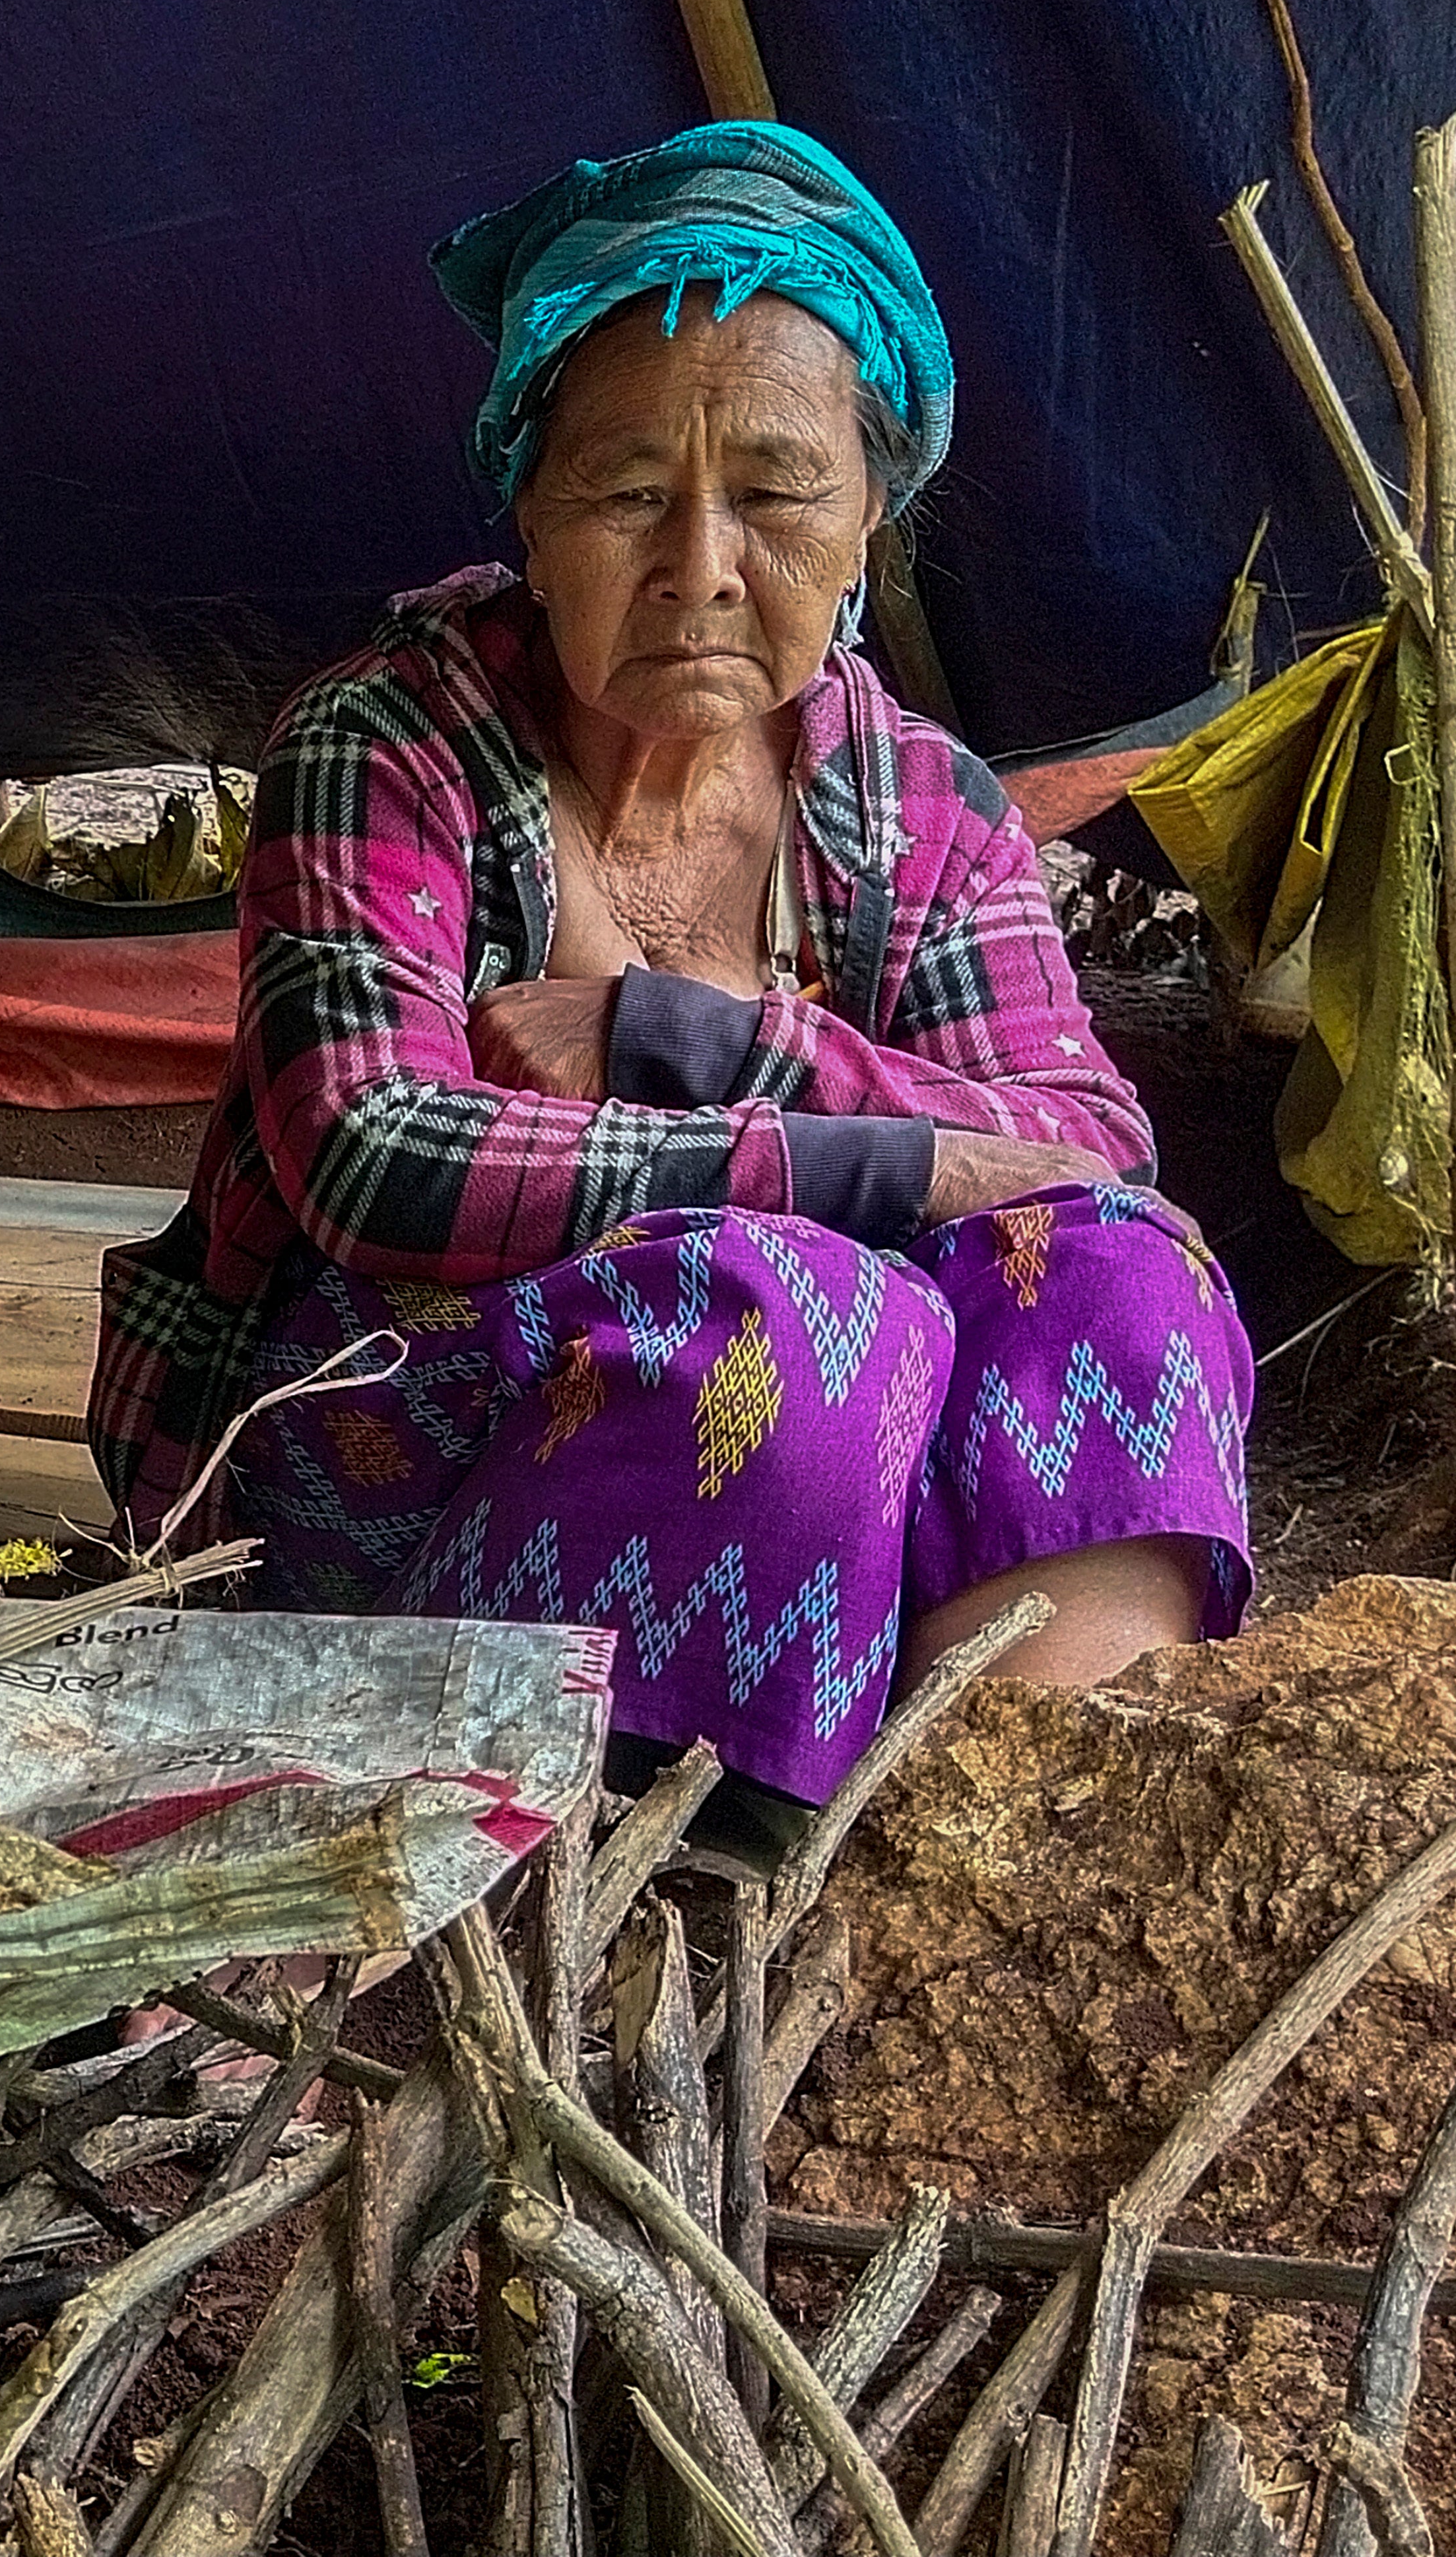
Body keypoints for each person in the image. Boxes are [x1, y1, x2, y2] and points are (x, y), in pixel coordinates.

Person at [86, 121, 1253, 1843]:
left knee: (1123, 1278)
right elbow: (373, 1153)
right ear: (531, 512)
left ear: (868, 522)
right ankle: (641, 1868)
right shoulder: (394, 743)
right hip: (368, 1494)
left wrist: (692, 1039)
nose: (702, 562)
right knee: (796, 1314)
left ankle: (973, 1845)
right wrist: (881, 1170)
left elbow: (1086, 1155)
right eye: (628, 491)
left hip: (821, 1487)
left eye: (777, 494)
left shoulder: (921, 807)